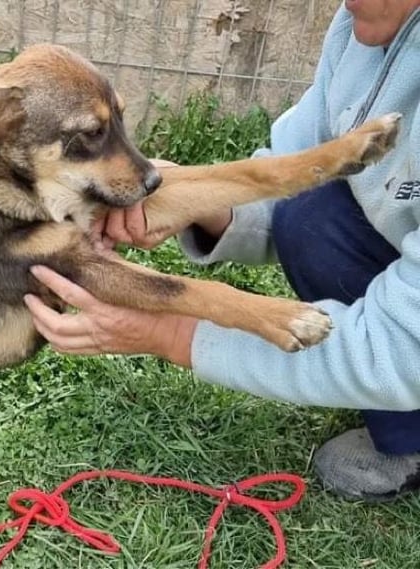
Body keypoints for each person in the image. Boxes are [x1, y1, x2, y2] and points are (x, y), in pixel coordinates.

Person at [23, 0, 420, 503]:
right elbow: (291, 175)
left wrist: (172, 333)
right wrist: (204, 208)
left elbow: (408, 348)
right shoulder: (360, 28)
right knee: (312, 214)